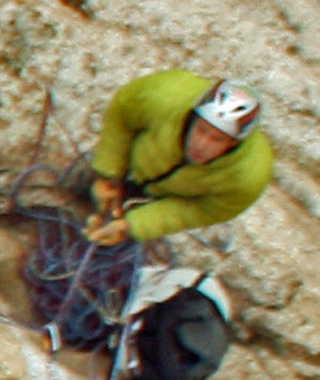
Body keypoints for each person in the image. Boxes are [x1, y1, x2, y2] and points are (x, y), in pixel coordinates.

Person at [85, 72, 272, 249]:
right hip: (134, 160)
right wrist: (108, 173)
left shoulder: (247, 177)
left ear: (233, 143)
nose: (201, 144)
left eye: (217, 139)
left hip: (163, 196)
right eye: (201, 129)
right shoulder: (163, 95)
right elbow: (123, 112)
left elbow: (203, 210)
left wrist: (134, 225)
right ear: (193, 118)